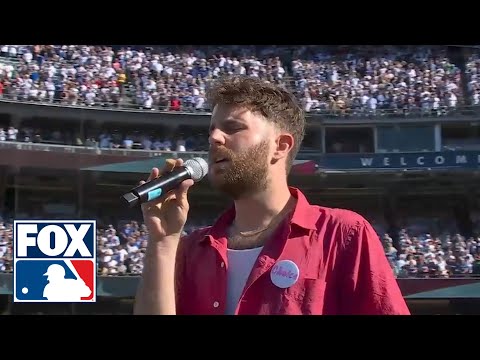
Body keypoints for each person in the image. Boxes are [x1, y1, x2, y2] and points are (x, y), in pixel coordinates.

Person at [133, 75, 410, 315]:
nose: (214, 138)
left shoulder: (343, 235)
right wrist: (162, 241)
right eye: (212, 130)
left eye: (233, 128)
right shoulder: (190, 249)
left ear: (280, 146)